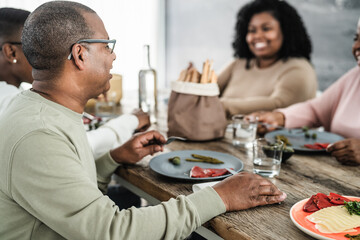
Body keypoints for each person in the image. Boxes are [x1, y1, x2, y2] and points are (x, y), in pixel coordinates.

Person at [0, 1, 286, 239]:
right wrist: (221, 197)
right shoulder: (38, 133)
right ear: (80, 55)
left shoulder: (45, 110)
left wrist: (112, 159)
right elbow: (112, 232)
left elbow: (76, 209)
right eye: (107, 46)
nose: (113, 57)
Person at [0, 7, 150, 160]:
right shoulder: (9, 104)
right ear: (11, 52)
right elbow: (73, 150)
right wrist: (130, 121)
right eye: (31, 46)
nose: (45, 53)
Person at [248, 18, 360, 166]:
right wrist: (280, 117)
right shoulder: (355, 76)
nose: (357, 46)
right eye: (356, 38)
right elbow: (315, 110)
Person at [218, 0, 317, 117]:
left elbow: (279, 105)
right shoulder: (239, 64)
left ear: (286, 31)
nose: (257, 36)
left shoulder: (299, 69)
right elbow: (207, 88)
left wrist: (219, 106)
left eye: (266, 29)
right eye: (252, 30)